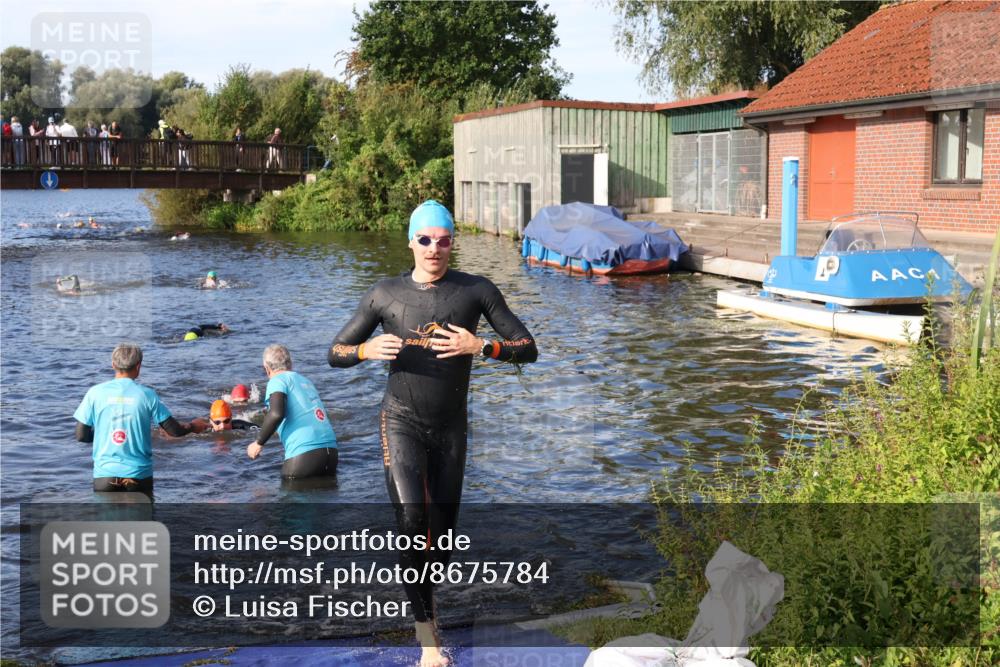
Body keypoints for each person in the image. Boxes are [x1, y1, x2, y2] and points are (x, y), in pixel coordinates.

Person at [328, 200, 537, 666]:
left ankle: (428, 600)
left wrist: (481, 345)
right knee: (410, 522)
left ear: (452, 243)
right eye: (425, 239)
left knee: (439, 541)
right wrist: (364, 351)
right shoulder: (384, 293)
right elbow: (334, 351)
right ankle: (429, 645)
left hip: (451, 428)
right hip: (399, 419)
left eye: (443, 240)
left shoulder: (476, 290)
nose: (434, 248)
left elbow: (528, 348)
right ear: (411, 242)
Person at [74, 343, 206, 498]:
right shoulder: (147, 395)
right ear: (138, 366)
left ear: (113, 365)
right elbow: (174, 431)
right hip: (138, 476)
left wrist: (104, 435)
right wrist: (193, 426)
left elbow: (81, 436)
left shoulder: (94, 393)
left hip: (105, 476)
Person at [247, 344, 338, 479]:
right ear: (291, 364)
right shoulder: (306, 381)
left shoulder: (276, 381)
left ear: (266, 368)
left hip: (304, 455)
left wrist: (258, 443)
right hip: (331, 453)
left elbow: (277, 414)